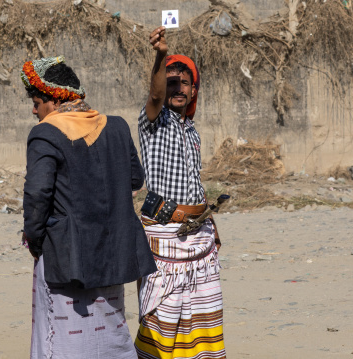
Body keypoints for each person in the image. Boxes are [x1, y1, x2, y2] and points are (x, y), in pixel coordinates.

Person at [20, 55, 157, 359]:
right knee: (109, 329)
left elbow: (37, 195)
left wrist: (35, 239)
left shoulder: (45, 133)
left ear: (54, 100)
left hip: (67, 257)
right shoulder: (117, 127)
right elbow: (135, 179)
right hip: (113, 253)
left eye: (37, 100)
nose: (34, 109)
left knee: (65, 336)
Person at [134, 27, 226, 358]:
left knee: (201, 322)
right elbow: (156, 96)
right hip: (165, 233)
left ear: (193, 90)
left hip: (198, 235)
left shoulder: (192, 130)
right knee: (162, 323)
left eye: (183, 82)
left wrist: (208, 224)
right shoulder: (153, 121)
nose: (177, 87)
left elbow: (192, 180)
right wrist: (161, 55)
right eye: (171, 81)